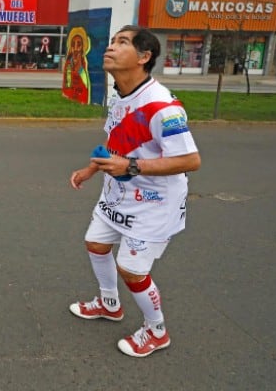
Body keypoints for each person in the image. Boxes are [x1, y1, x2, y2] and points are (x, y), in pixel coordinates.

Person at [67, 24, 201, 358]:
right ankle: (109, 304)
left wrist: (132, 167)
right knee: (96, 244)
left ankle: (157, 331)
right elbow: (117, 142)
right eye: (112, 42)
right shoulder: (119, 97)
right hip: (117, 196)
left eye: (122, 43)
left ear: (144, 56)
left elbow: (190, 160)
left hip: (154, 204)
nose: (111, 48)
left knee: (132, 269)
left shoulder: (164, 108)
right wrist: (91, 169)